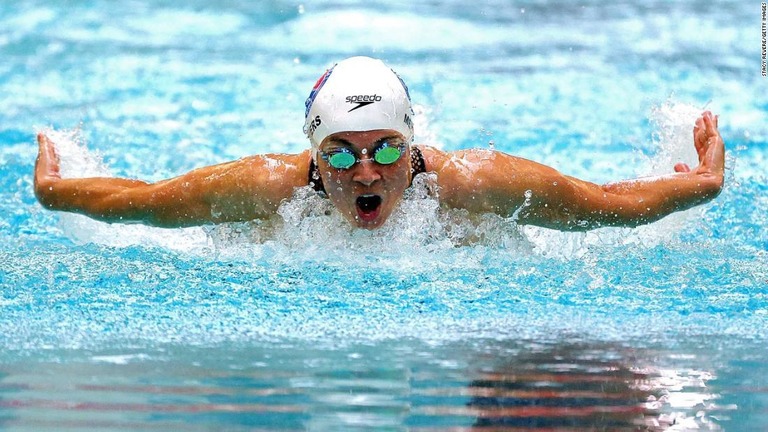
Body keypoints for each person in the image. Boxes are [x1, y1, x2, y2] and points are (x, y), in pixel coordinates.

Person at [34, 56, 725, 232]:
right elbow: (148, 204)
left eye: (386, 149)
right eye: (340, 152)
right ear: (314, 152)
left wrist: (697, 185)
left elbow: (598, 204)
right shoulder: (268, 186)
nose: (366, 170)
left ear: (411, 143)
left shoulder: (469, 183)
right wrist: (57, 192)